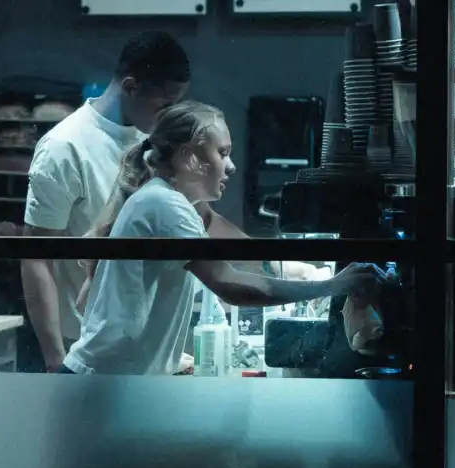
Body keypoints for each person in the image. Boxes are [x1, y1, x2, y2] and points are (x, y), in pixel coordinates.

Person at [62, 101, 384, 376]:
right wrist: (331, 285)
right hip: (101, 383)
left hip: (108, 379)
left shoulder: (164, 202)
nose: (230, 167)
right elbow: (229, 283)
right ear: (188, 157)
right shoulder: (166, 206)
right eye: (222, 153)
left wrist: (167, 357)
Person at [21, 32, 247, 373]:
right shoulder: (64, 148)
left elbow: (204, 218)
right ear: (130, 87)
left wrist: (277, 263)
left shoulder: (154, 137)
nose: (170, 114)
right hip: (84, 343)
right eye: (164, 104)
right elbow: (37, 258)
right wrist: (55, 358)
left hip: (143, 350)